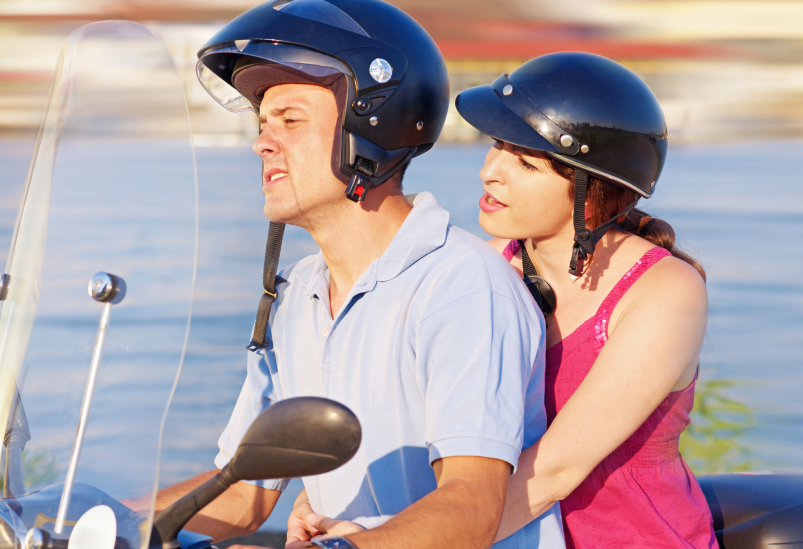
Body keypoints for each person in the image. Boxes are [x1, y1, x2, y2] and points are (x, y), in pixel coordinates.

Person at [147, 2, 565, 549]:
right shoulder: (293, 294)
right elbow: (245, 492)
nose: (262, 142)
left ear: (370, 129)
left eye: (290, 120)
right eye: (262, 123)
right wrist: (89, 519)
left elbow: (471, 507)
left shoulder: (459, 286)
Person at [455, 52, 717, 548]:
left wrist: (411, 536)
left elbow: (556, 470)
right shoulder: (486, 266)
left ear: (590, 193)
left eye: (525, 163)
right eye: (497, 146)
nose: (491, 172)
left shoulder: (665, 291)